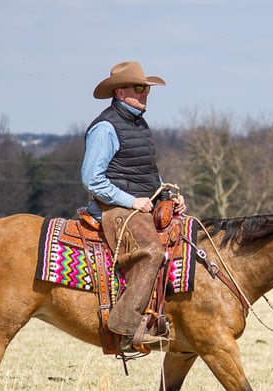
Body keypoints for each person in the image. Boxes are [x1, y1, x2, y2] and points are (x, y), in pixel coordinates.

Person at [81, 61, 186, 352]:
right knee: (153, 252)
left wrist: (166, 194)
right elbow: (92, 180)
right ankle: (125, 327)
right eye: (139, 88)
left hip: (140, 204)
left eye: (147, 88)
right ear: (119, 91)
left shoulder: (137, 123)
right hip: (114, 208)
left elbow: (144, 172)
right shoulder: (105, 127)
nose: (145, 93)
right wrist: (132, 201)